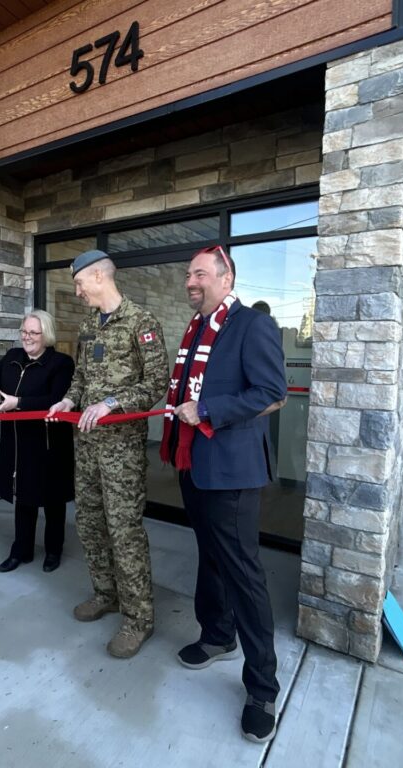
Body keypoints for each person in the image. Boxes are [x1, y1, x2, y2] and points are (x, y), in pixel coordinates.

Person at [161, 245, 287, 743]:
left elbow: (272, 393)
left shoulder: (251, 325)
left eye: (199, 274)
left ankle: (262, 688)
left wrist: (208, 409)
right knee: (210, 556)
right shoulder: (195, 327)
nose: (190, 282)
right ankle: (217, 635)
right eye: (188, 274)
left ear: (225, 276)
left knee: (243, 573)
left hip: (232, 473)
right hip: (194, 464)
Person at [47, 250, 169, 659]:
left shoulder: (141, 322)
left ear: (99, 276)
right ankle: (106, 593)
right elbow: (81, 378)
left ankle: (139, 618)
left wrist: (113, 403)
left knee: (124, 530)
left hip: (122, 450)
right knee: (90, 523)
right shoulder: (87, 326)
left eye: (80, 283)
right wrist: (68, 401)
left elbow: (157, 383)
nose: (77, 291)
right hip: (86, 445)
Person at [0, 310, 75, 573]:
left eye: (33, 333)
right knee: (23, 498)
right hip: (17, 443)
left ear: (47, 335)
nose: (27, 337)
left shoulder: (61, 363)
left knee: (53, 501)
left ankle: (54, 550)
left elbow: (55, 399)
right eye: (24, 332)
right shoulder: (12, 358)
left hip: (48, 444)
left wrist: (16, 403)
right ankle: (21, 550)